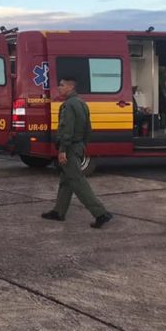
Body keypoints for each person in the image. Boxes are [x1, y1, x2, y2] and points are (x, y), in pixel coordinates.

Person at [41, 77, 112, 228]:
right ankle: (58, 211)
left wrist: (63, 150)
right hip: (78, 146)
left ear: (70, 87)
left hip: (70, 148)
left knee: (77, 181)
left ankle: (100, 213)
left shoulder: (68, 105)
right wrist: (82, 146)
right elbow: (89, 129)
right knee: (66, 180)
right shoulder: (82, 103)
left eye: (61, 85)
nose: (58, 88)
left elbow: (67, 129)